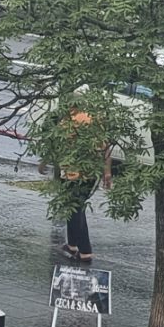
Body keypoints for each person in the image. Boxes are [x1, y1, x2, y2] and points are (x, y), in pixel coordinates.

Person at [60, 110, 110, 263]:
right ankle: (72, 244)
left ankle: (85, 251)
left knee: (75, 209)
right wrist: (106, 173)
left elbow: (57, 145)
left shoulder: (68, 119)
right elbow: (105, 148)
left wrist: (43, 164)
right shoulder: (95, 118)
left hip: (72, 172)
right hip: (91, 172)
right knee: (75, 206)